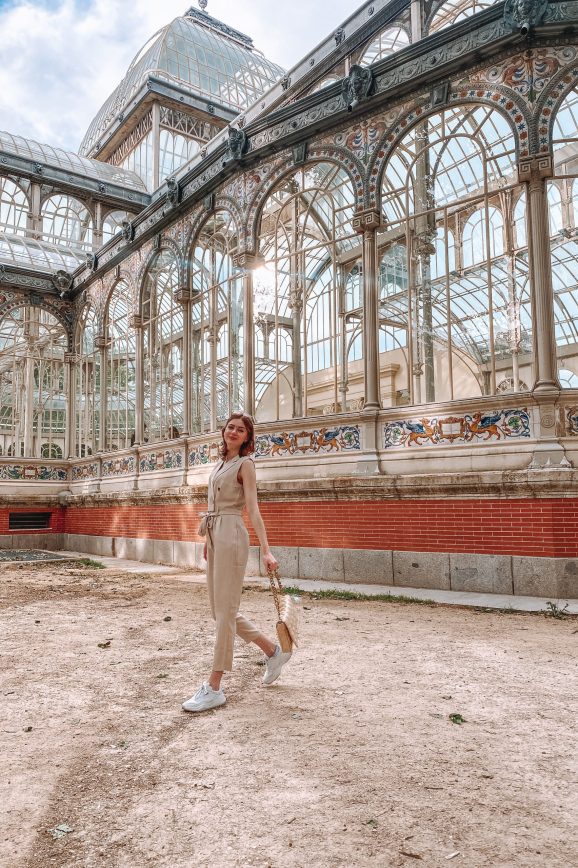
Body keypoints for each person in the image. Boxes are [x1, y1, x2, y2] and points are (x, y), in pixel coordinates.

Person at [182, 412, 292, 713]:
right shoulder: (220, 463)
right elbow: (212, 506)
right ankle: (273, 651)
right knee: (220, 611)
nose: (233, 432)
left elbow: (253, 510)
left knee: (225, 613)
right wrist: (208, 541)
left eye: (240, 430)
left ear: (247, 438)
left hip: (232, 535)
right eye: (230, 427)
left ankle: (214, 686)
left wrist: (266, 550)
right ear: (223, 431)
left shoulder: (245, 465)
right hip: (216, 536)